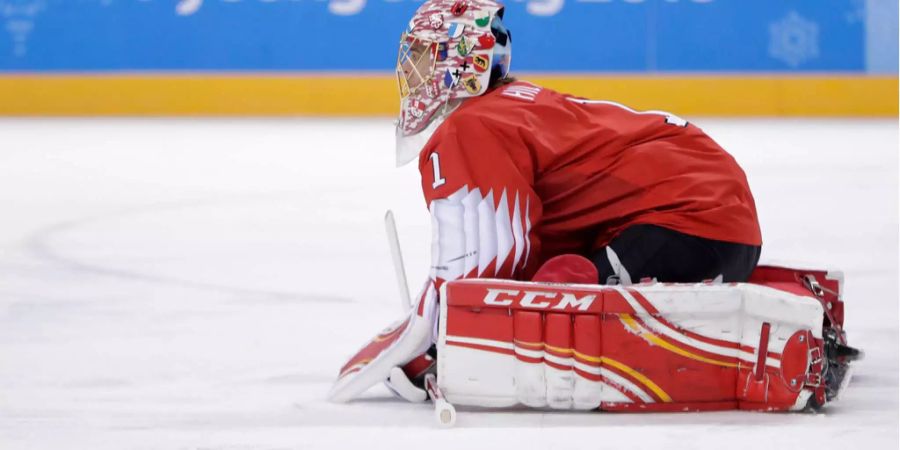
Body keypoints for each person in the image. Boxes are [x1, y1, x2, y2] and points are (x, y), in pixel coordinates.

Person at [395, 0, 761, 290]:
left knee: (554, 296)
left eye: (425, 57)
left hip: (687, 221)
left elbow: (483, 270)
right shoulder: (514, 105)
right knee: (559, 275)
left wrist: (436, 338)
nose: (415, 74)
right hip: (719, 220)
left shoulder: (472, 125)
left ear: (461, 60)